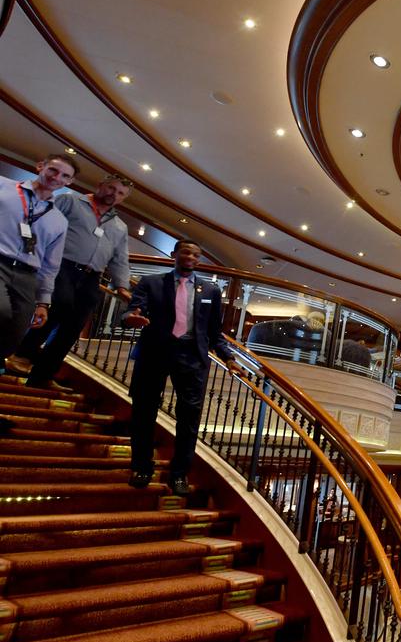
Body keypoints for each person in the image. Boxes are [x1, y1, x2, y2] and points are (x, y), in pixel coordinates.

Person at [122, 239, 243, 495]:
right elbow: (133, 309)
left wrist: (229, 358)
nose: (191, 257)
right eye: (186, 252)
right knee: (144, 412)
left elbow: (214, 332)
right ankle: (142, 467)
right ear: (174, 254)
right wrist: (131, 317)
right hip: (155, 352)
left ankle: (179, 475)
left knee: (189, 419)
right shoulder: (151, 283)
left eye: (197, 254)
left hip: (192, 356)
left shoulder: (210, 290)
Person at [7, 175, 133, 390]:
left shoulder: (120, 226)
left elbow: (120, 258)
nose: (114, 194)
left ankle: (42, 375)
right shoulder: (70, 201)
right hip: (61, 265)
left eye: (120, 193)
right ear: (100, 185)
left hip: (91, 277)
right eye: (111, 188)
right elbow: (44, 223)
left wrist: (122, 286)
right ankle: (22, 355)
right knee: (58, 306)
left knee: (73, 327)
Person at [1, 155, 76, 373]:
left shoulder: (59, 220)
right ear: (40, 166)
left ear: (69, 182)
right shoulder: (4, 187)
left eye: (65, 176)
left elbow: (51, 265)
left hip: (27, 274)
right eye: (53, 170)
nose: (56, 177)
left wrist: (43, 302)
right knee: (1, 311)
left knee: (19, 326)